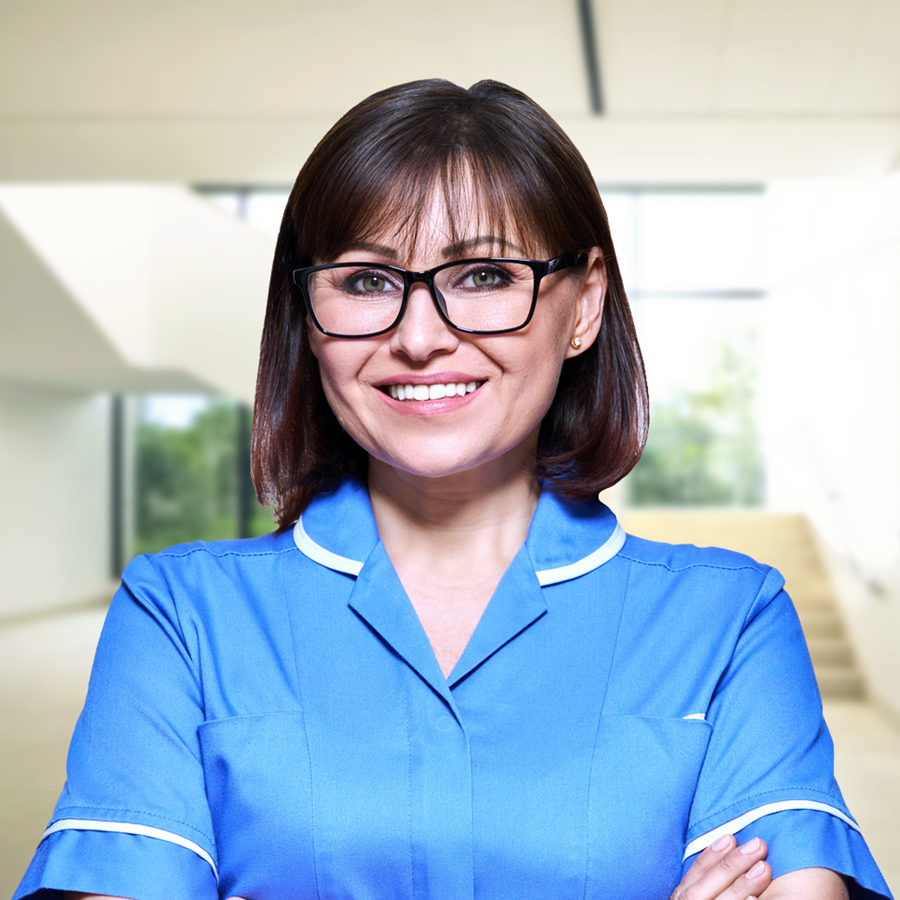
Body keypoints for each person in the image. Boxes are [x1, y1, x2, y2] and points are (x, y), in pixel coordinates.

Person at [14, 79, 891, 900]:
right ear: (306, 316)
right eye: (366, 280)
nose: (420, 336)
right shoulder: (180, 616)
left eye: (485, 276)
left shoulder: (730, 622)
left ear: (583, 305)